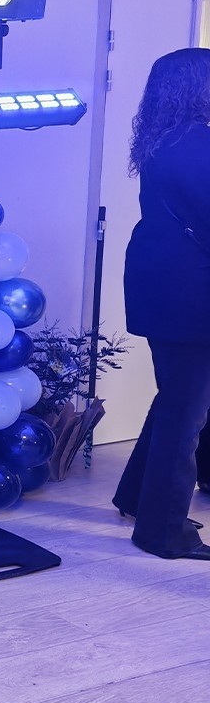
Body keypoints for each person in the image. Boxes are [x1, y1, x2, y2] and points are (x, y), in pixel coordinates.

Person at [112, 47, 210, 561]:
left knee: (175, 397)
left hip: (163, 285)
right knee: (185, 410)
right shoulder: (197, 144)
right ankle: (162, 530)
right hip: (190, 293)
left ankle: (137, 498)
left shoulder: (164, 139)